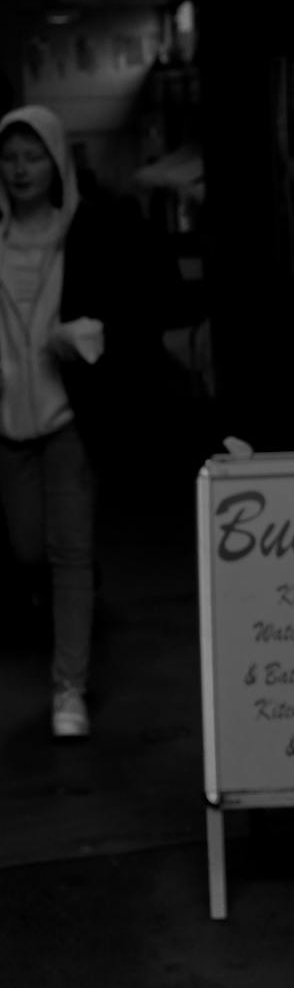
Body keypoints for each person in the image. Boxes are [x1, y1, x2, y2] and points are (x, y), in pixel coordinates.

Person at [0, 105, 153, 739]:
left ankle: (70, 690)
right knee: (27, 548)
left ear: (57, 160)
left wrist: (88, 336)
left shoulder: (86, 232)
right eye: (8, 158)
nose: (19, 169)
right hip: (8, 422)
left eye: (32, 156)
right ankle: (69, 606)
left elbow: (132, 313)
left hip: (69, 417)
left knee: (68, 553)